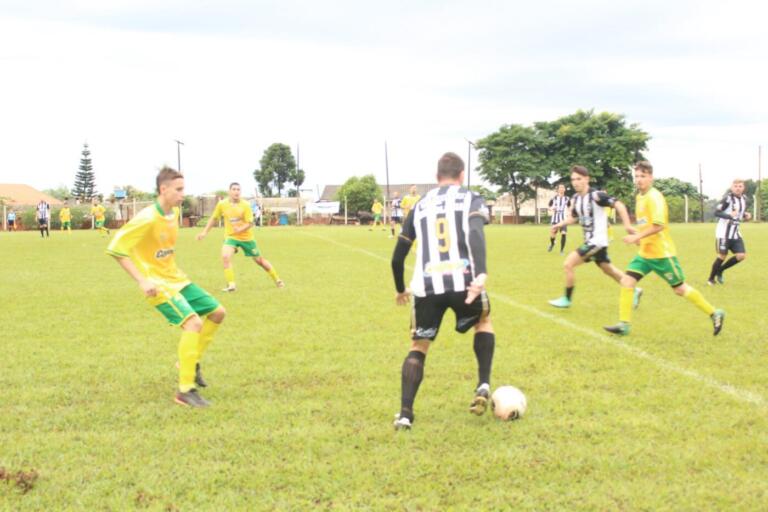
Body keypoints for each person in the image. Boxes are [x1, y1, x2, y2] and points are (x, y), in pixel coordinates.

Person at [391, 152, 495, 430]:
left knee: (419, 345)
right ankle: (483, 383)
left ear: (437, 177)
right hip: (464, 281)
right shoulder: (470, 198)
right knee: (483, 321)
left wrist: (401, 289)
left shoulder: (421, 205)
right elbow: (475, 232)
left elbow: (397, 256)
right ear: (461, 175)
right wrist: (481, 271)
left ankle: (405, 414)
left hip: (427, 286)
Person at [107, 167, 226, 407]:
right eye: (179, 189)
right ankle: (185, 391)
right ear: (164, 189)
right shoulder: (147, 217)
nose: (183, 194)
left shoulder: (172, 216)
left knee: (218, 312)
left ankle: (189, 362)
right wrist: (142, 280)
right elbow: (116, 248)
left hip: (177, 279)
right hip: (158, 285)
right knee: (193, 323)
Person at [604, 161, 724, 336]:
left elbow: (659, 225)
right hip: (645, 253)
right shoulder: (639, 197)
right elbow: (646, 224)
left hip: (662, 254)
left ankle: (714, 313)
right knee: (627, 281)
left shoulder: (655, 197)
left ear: (651, 178)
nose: (639, 180)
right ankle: (624, 324)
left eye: (643, 176)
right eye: (636, 176)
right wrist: (636, 233)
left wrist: (636, 237)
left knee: (679, 289)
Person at [548, 166, 642, 309]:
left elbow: (619, 205)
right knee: (608, 270)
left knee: (568, 264)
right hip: (594, 242)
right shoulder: (575, 199)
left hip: (596, 242)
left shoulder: (597, 196)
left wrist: (628, 226)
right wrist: (558, 225)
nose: (575, 182)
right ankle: (634, 290)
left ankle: (567, 299)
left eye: (579, 179)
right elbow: (573, 218)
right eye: (573, 179)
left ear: (587, 179)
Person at [197, 182, 284, 292]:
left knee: (260, 261)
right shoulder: (222, 204)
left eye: (238, 189)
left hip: (246, 238)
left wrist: (240, 229)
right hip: (231, 237)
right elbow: (214, 218)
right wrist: (204, 232)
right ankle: (231, 285)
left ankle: (277, 279)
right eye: (234, 189)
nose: (236, 191)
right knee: (225, 256)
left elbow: (250, 223)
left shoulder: (245, 205)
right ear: (229, 191)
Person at [708, 179, 750, 285]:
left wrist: (746, 215)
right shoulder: (728, 199)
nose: (738, 188)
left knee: (741, 256)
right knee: (722, 256)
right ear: (732, 187)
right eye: (735, 186)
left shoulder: (744, 199)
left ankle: (721, 270)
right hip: (723, 234)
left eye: (740, 186)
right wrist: (728, 216)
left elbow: (739, 212)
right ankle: (711, 279)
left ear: (743, 188)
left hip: (735, 233)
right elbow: (716, 212)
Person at [547, 184, 570, 253]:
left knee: (563, 233)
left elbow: (570, 207)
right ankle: (552, 243)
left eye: (563, 187)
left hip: (563, 218)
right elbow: (548, 206)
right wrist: (551, 208)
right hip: (555, 218)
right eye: (560, 187)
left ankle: (561, 250)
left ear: (565, 189)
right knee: (553, 233)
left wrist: (569, 213)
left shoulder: (567, 198)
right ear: (558, 190)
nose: (562, 189)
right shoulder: (554, 198)